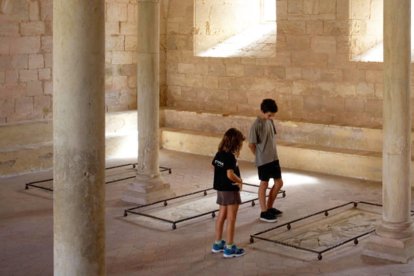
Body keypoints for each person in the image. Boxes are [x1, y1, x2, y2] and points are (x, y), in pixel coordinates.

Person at [211, 128, 246, 258]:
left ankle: (218, 243)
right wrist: (240, 180)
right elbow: (230, 174)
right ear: (235, 144)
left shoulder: (219, 153)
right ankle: (230, 247)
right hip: (230, 190)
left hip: (220, 189)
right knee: (231, 218)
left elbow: (214, 166)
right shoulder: (230, 156)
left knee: (222, 215)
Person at [248, 98, 283, 223]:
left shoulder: (270, 122)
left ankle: (269, 207)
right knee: (264, 184)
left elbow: (272, 138)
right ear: (263, 111)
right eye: (269, 115)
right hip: (264, 160)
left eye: (272, 115)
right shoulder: (256, 125)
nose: (271, 117)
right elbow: (251, 144)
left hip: (274, 158)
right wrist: (258, 156)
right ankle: (263, 212)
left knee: (279, 183)